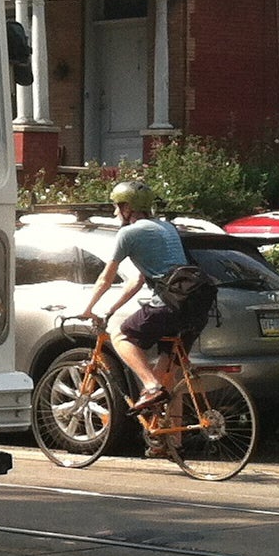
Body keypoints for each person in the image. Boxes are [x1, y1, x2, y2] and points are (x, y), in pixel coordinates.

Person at [73, 179, 211, 439]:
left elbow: (105, 277)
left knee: (121, 336)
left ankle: (149, 385)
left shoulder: (129, 233)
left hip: (170, 303)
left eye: (117, 207)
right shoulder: (166, 228)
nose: (115, 213)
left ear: (128, 207)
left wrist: (88, 308)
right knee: (167, 377)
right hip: (195, 304)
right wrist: (110, 309)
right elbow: (137, 281)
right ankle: (169, 441)